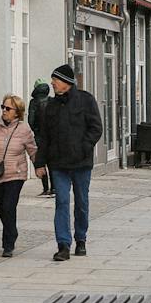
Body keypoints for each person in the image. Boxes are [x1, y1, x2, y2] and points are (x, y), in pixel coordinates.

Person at [32, 63, 101, 261]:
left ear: (66, 82)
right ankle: (63, 244)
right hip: (58, 165)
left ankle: (81, 239)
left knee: (81, 203)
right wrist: (39, 163)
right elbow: (44, 137)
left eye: (55, 80)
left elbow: (96, 128)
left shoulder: (86, 100)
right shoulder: (50, 106)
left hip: (81, 164)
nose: (52, 83)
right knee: (61, 202)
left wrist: (84, 147)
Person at [0, 94, 37, 257]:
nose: (4, 111)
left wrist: (39, 167)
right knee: (0, 207)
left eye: (8, 108)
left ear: (17, 112)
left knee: (8, 206)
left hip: (15, 175)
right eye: (2, 107)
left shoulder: (24, 130)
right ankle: (12, 231)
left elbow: (32, 150)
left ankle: (8, 243)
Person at [28, 80, 54, 196]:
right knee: (52, 162)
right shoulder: (52, 101)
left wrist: (36, 131)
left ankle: (45, 188)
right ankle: (54, 188)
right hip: (52, 137)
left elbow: (31, 121)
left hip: (40, 137)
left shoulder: (34, 103)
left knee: (41, 161)